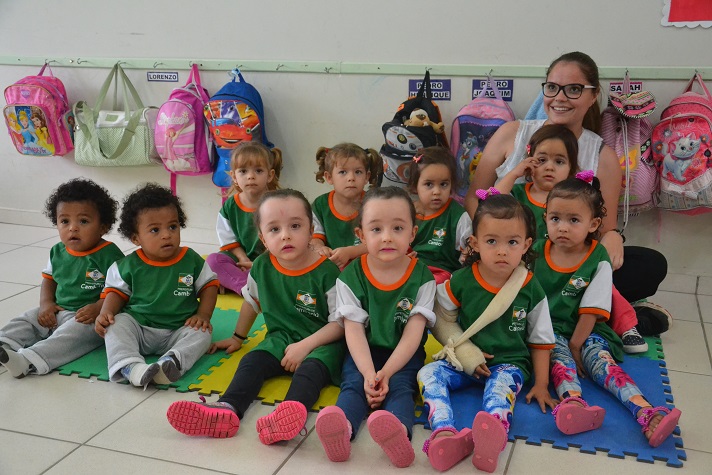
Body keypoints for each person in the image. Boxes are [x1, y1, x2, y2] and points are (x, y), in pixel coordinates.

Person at [465, 51, 670, 338]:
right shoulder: (512, 134)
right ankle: (607, 316)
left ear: (592, 95)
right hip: (503, 255)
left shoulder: (602, 156)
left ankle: (567, 308)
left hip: (565, 261)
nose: (559, 97)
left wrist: (612, 237)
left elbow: (603, 227)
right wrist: (490, 238)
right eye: (552, 87)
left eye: (573, 89)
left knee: (648, 265)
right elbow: (475, 196)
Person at [167, 189, 345, 444]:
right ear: (262, 237)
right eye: (274, 229)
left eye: (295, 225)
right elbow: (252, 303)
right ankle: (227, 408)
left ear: (310, 229)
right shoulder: (262, 266)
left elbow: (339, 324)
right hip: (280, 337)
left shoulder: (327, 272)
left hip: (323, 343)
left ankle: (288, 415)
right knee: (252, 362)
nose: (285, 235)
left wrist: (305, 347)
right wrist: (238, 337)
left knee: (310, 372)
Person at [533, 173, 681, 448]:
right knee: (560, 362)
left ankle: (645, 411)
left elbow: (592, 309)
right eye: (555, 219)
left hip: (586, 329)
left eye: (573, 220)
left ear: (594, 224)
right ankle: (573, 403)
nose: (562, 227)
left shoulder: (598, 258)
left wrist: (578, 345)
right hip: (547, 332)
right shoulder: (536, 252)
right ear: (545, 219)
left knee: (602, 363)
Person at [418, 192, 556, 472]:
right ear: (475, 243)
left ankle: (492, 435)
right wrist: (466, 354)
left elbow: (541, 341)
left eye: (512, 242)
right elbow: (440, 318)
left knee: (498, 391)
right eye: (492, 241)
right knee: (427, 374)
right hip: (464, 362)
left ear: (526, 244)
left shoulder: (530, 287)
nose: (502, 250)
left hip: (509, 364)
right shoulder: (462, 280)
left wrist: (541, 384)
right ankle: (444, 432)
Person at [495, 124, 646, 353]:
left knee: (602, 276)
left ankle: (627, 325)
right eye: (541, 160)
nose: (549, 167)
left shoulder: (578, 198)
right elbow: (494, 201)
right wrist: (515, 172)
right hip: (535, 267)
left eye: (559, 162)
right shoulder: (519, 195)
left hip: (571, 265)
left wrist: (612, 237)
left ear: (571, 169)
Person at [315, 186, 436, 468]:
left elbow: (413, 334)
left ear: (412, 234)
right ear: (360, 235)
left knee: (402, 388)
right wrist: (370, 374)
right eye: (376, 229)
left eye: (397, 228)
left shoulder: (423, 277)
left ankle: (398, 434)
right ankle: (342, 430)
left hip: (403, 355)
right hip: (362, 353)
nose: (387, 237)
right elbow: (353, 330)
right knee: (354, 386)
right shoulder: (350, 276)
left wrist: (387, 372)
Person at [95, 183, 219, 388]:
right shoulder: (127, 265)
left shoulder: (191, 259)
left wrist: (203, 316)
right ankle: (130, 367)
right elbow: (116, 294)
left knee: (203, 334)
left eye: (173, 226)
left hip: (179, 328)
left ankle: (169, 363)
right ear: (136, 238)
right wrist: (106, 313)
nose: (166, 234)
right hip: (139, 327)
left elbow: (209, 287)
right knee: (116, 324)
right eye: (155, 230)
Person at [0, 178, 123, 377]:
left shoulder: (109, 255)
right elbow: (49, 279)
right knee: (27, 319)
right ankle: (5, 342)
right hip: (58, 309)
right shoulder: (58, 251)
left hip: (88, 316)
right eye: (65, 221)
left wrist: (99, 307)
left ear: (103, 226)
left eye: (83, 221)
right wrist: (46, 304)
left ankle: (27, 361)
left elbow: (121, 290)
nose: (72, 228)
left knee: (72, 336)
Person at [206, 141, 283, 294]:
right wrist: (244, 260)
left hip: (270, 259)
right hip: (240, 259)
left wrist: (257, 263)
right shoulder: (230, 206)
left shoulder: (277, 204)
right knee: (213, 261)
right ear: (234, 176)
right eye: (243, 171)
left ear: (270, 175)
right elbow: (228, 241)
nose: (250, 177)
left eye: (258, 171)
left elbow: (282, 238)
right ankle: (247, 289)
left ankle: (243, 281)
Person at [311, 143, 381, 268]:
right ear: (329, 177)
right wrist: (321, 248)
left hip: (367, 266)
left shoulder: (374, 204)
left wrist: (350, 252)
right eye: (343, 172)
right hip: (331, 266)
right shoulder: (320, 204)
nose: (351, 178)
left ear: (367, 177)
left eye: (358, 172)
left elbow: (380, 241)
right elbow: (315, 237)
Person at [408, 146, 472, 284]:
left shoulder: (458, 216)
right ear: (414, 186)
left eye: (443, 184)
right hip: (407, 268)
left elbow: (469, 250)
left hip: (441, 275)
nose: (436, 191)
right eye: (429, 184)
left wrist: (468, 253)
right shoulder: (405, 212)